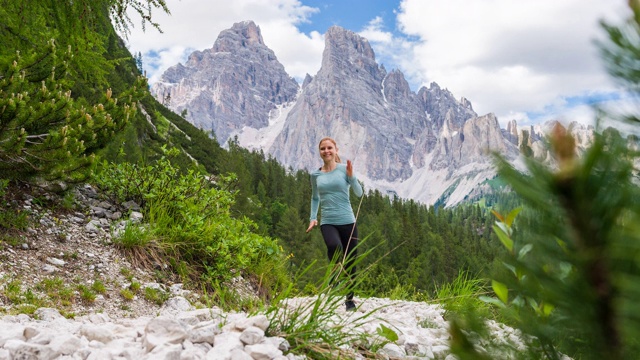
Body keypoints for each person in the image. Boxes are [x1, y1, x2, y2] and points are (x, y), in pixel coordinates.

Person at [306, 137, 363, 311]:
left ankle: (349, 300)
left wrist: (352, 177)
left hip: (348, 221)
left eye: (329, 148)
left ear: (336, 150)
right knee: (334, 246)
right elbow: (315, 197)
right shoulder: (315, 175)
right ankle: (334, 277)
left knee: (351, 261)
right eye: (323, 148)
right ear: (320, 152)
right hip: (328, 221)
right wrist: (313, 217)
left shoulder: (344, 170)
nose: (326, 151)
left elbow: (359, 193)